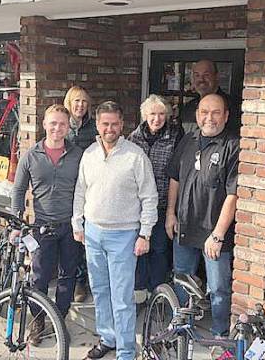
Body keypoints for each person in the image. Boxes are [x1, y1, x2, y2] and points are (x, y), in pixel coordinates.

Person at [72, 101, 158, 360]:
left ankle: (126, 351)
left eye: (114, 124)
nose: (109, 128)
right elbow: (80, 191)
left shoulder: (135, 156)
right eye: (104, 123)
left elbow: (149, 197)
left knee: (122, 298)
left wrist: (145, 233)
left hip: (124, 235)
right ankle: (107, 338)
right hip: (93, 233)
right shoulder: (88, 154)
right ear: (98, 125)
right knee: (100, 291)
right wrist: (78, 223)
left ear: (122, 125)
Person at [166, 93, 239, 337]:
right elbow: (174, 178)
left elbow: (233, 194)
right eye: (204, 112)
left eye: (216, 112)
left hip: (214, 232)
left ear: (226, 116)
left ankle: (220, 334)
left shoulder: (232, 145)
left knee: (218, 287)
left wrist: (218, 235)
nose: (210, 118)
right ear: (197, 115)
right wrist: (170, 214)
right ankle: (182, 329)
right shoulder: (188, 140)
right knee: (182, 280)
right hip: (185, 225)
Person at [12, 104, 83, 345]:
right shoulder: (31, 156)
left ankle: (59, 319)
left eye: (62, 123)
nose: (57, 128)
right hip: (41, 227)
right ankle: (38, 320)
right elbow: (19, 189)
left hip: (71, 226)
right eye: (53, 123)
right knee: (39, 277)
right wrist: (16, 221)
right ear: (44, 124)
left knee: (68, 275)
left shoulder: (78, 154)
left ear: (68, 126)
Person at [128, 94, 184, 302]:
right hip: (138, 205)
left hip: (162, 202)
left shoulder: (175, 137)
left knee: (159, 248)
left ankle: (157, 291)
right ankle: (139, 290)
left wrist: (171, 209)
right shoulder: (133, 138)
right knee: (139, 247)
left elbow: (176, 173)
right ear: (145, 115)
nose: (157, 119)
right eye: (152, 114)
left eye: (161, 114)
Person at [64, 85, 98, 302]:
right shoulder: (62, 125)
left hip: (87, 188)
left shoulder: (93, 127)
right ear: (69, 102)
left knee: (83, 238)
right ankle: (71, 279)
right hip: (66, 187)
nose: (80, 105)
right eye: (77, 101)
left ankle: (82, 282)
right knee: (69, 238)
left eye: (84, 102)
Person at [180, 59, 235, 132]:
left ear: (216, 76)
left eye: (206, 75)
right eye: (197, 75)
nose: (201, 79)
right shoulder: (188, 107)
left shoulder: (232, 105)